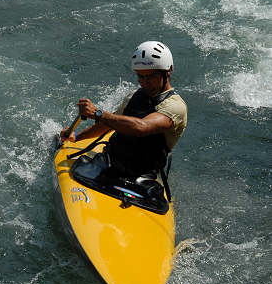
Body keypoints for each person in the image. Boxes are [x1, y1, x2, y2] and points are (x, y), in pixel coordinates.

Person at [60, 41, 187, 185]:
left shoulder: (176, 107)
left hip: (141, 176)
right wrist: (76, 137)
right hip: (110, 162)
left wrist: (98, 113)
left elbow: (141, 127)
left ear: (168, 71)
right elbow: (109, 124)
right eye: (140, 76)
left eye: (151, 76)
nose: (145, 82)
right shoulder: (134, 95)